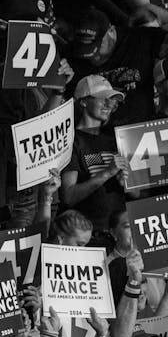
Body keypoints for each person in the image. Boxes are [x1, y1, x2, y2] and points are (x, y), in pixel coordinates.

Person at [61, 75, 127, 232]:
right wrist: (107, 173)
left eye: (112, 100)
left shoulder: (117, 140)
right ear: (83, 101)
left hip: (121, 232)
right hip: (87, 234)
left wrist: (128, 183)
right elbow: (69, 196)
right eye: (102, 98)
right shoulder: (70, 141)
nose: (109, 104)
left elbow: (138, 193)